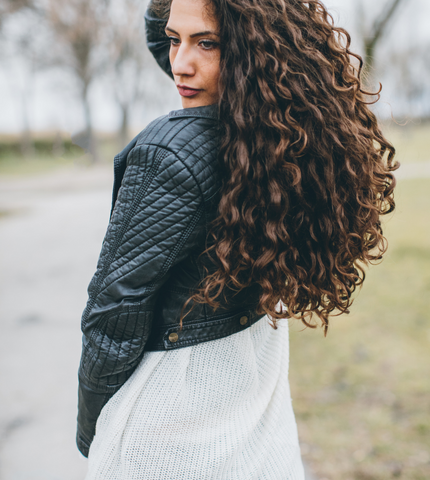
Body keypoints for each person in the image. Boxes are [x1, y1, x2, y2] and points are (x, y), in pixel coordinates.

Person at [76, 0, 397, 477]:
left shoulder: (172, 151)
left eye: (208, 43)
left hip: (165, 436)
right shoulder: (284, 135)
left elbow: (112, 314)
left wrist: (92, 434)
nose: (179, 64)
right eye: (173, 40)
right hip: (250, 401)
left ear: (252, 51)